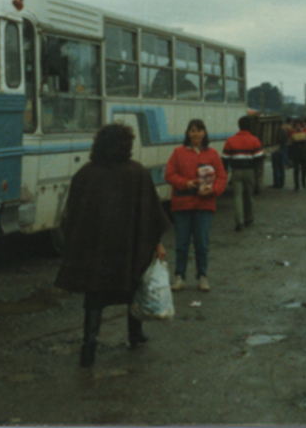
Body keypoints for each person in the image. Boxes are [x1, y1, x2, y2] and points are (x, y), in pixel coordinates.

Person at [54, 124, 171, 368]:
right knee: (131, 291)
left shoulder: (86, 173)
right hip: (127, 252)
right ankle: (135, 335)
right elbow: (151, 215)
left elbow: (70, 216)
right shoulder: (136, 173)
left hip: (96, 254)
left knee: (94, 298)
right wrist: (157, 244)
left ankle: (88, 347)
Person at [165, 119, 227, 292]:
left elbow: (222, 176)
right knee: (181, 244)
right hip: (182, 205)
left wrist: (214, 190)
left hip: (204, 205)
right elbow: (169, 174)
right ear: (187, 133)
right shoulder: (178, 152)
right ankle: (179, 277)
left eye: (199, 130)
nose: (196, 134)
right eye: (192, 130)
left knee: (202, 243)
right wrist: (185, 183)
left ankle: (202, 277)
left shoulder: (212, 154)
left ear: (204, 133)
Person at [222, 116, 264, 231]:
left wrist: (225, 171)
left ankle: (239, 222)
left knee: (237, 196)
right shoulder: (254, 140)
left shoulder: (230, 140)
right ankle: (248, 218)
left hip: (236, 171)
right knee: (248, 196)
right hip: (249, 171)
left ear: (239, 126)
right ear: (250, 126)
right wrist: (256, 171)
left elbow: (225, 158)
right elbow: (259, 158)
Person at [289, 118, 306, 191]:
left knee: (304, 169)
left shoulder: (305, 131)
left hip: (303, 152)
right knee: (296, 169)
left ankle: (303, 181)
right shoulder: (292, 131)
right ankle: (296, 185)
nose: (297, 126)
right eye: (296, 125)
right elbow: (290, 141)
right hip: (296, 152)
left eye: (298, 125)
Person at [270, 119, 290, 188]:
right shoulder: (282, 130)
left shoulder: (276, 131)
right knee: (281, 167)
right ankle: (281, 182)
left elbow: (278, 140)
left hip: (277, 149)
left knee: (276, 167)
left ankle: (277, 183)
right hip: (283, 149)